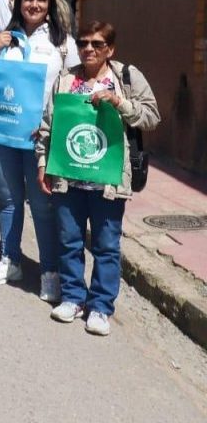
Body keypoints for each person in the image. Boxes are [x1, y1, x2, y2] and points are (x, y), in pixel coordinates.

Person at [36, 21, 160, 336]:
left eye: (97, 44)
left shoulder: (126, 78)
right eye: (84, 43)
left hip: (108, 181)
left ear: (110, 49)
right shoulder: (65, 79)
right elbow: (48, 126)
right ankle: (74, 298)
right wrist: (42, 164)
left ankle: (101, 307)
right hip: (68, 177)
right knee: (69, 241)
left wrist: (119, 102)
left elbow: (151, 116)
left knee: (106, 245)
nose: (89, 49)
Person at [0, 0, 80, 301]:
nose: (34, 5)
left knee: (42, 204)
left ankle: (50, 271)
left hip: (42, 136)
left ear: (50, 4)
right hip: (4, 134)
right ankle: (10, 259)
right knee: (8, 199)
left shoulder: (62, 42)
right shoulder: (4, 39)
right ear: (18, 2)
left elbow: (74, 87)